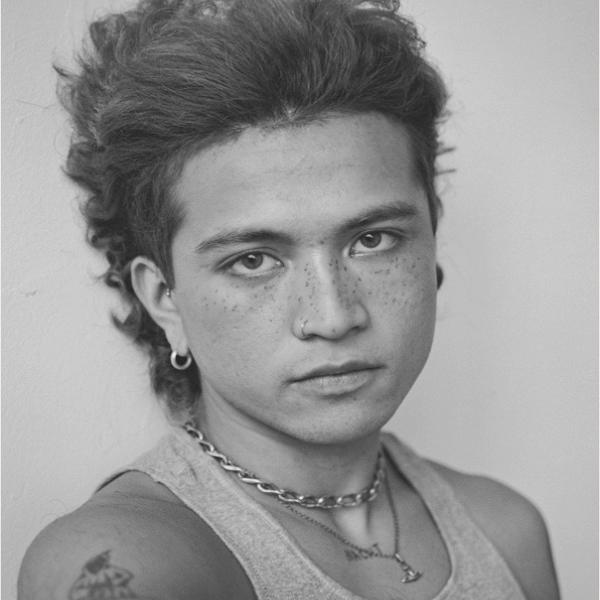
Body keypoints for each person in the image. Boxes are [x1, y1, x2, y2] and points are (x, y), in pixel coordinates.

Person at [18, 1, 560, 599]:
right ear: (163, 299)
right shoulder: (127, 564)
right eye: (253, 260)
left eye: (372, 240)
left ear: (431, 243)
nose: (333, 317)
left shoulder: (506, 532)